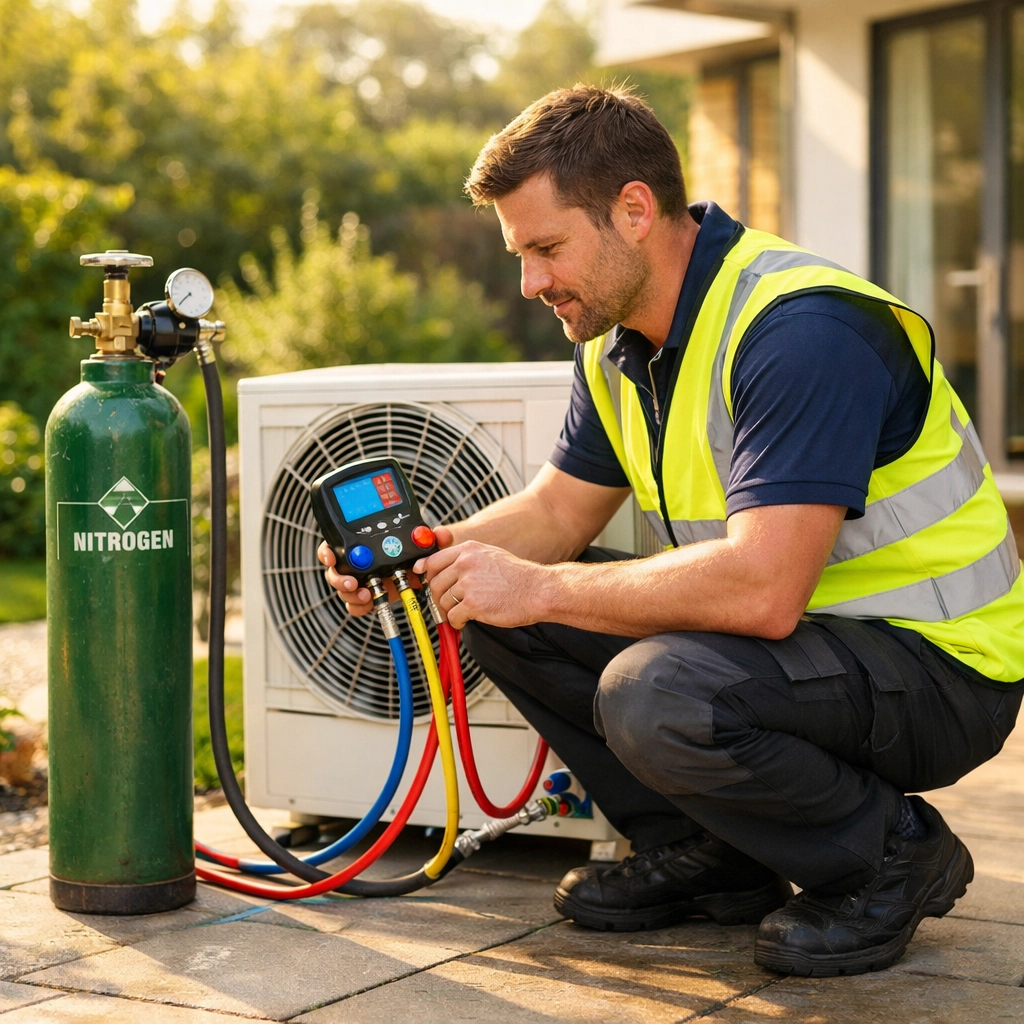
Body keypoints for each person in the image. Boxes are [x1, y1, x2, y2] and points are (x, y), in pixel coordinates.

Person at [318, 85, 1024, 977]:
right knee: (489, 599)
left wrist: (535, 582)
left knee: (656, 689)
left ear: (636, 210)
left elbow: (763, 593)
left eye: (546, 248)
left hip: (941, 670)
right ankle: (717, 855)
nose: (530, 283)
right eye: (520, 254)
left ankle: (892, 854)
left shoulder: (800, 329)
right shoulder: (614, 343)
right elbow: (556, 513)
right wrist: (429, 563)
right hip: (813, 649)